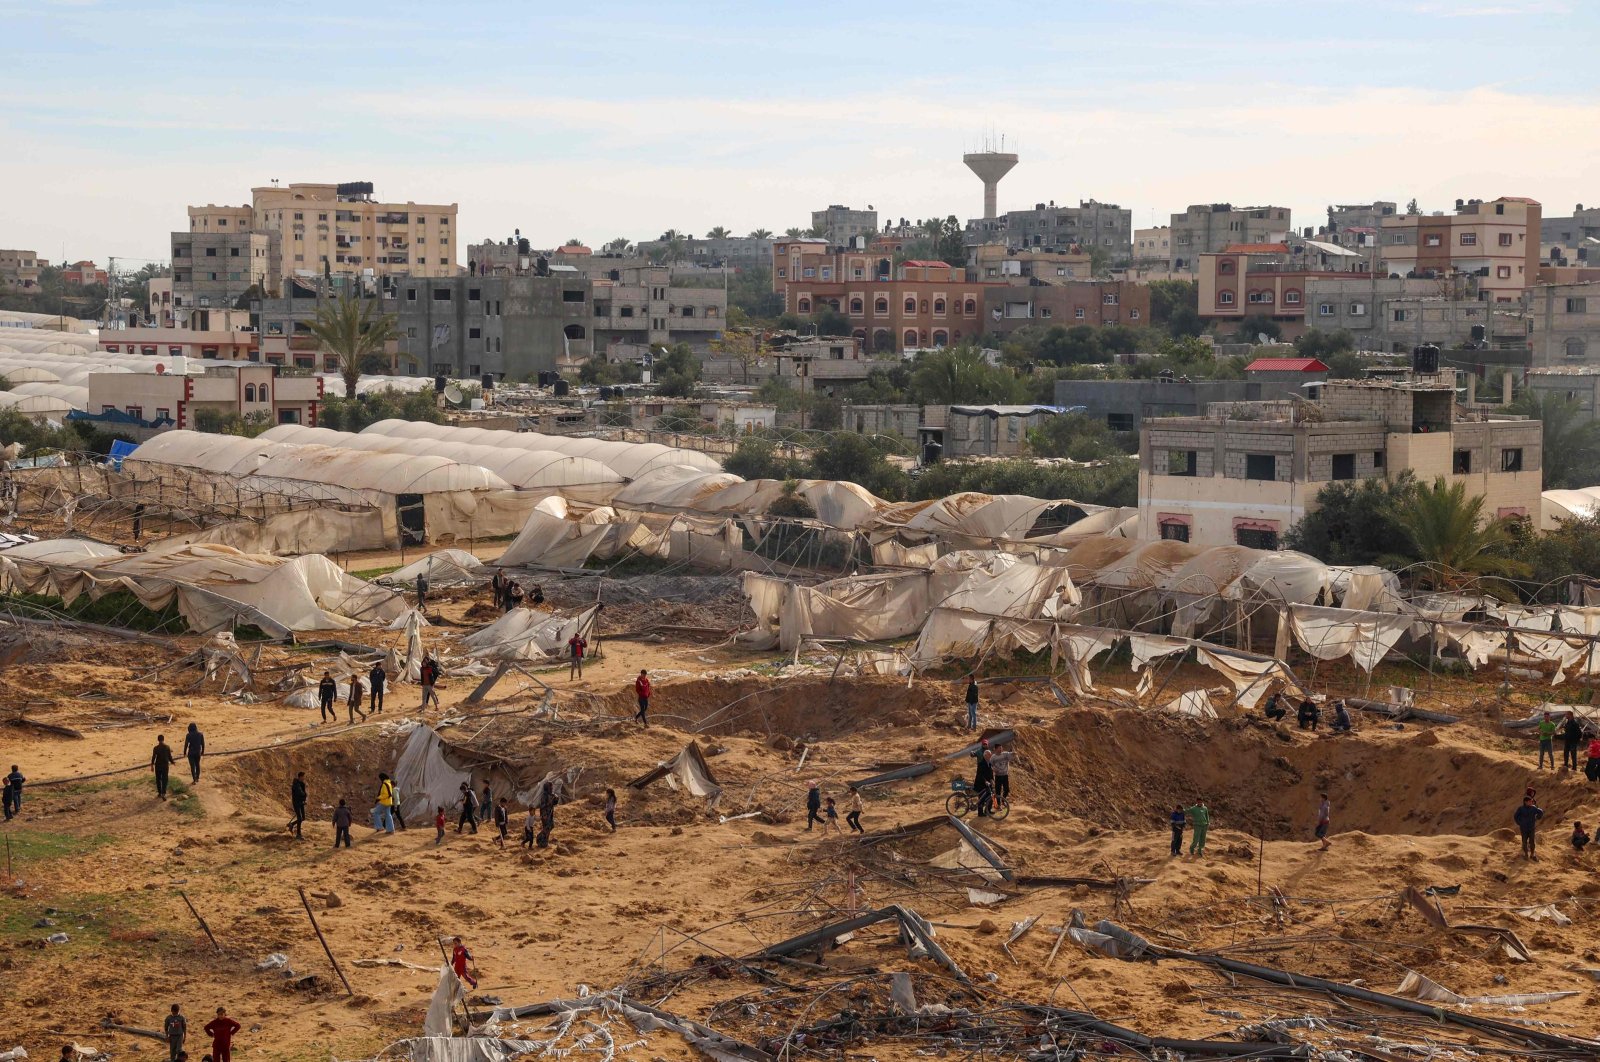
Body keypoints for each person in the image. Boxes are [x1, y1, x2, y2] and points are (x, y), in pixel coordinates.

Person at [1514, 794, 1544, 860]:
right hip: (1523, 828)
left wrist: (1538, 817)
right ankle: (1526, 854)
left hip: (1531, 828)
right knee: (1524, 841)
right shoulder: (1521, 809)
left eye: (1531, 801)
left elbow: (1541, 812)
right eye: (1530, 801)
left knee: (1532, 841)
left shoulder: (1533, 808)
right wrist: (1520, 823)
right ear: (1526, 802)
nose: (1531, 802)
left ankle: (1532, 855)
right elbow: (1516, 816)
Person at [972, 739, 995, 817]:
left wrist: (992, 779)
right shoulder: (981, 764)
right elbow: (980, 774)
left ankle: (988, 810)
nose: (989, 756)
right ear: (985, 756)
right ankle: (980, 813)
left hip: (988, 782)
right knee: (981, 798)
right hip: (981, 783)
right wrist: (985, 781)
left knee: (991, 796)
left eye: (990, 755)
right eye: (988, 755)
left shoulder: (990, 763)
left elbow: (991, 773)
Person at [151, 735, 174, 800]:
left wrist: (152, 765)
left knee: (158, 779)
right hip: (165, 765)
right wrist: (173, 762)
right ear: (163, 739)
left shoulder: (155, 748)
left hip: (158, 765)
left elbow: (153, 757)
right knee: (165, 779)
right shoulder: (167, 747)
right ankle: (163, 793)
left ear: (158, 740)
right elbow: (169, 757)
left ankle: (159, 793)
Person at [536, 781, 557, 848]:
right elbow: (542, 806)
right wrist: (544, 815)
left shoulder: (551, 795)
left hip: (550, 813)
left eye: (552, 787)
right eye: (550, 787)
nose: (552, 789)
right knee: (547, 827)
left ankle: (544, 841)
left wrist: (556, 798)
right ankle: (541, 840)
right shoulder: (544, 796)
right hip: (545, 814)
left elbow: (554, 803)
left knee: (551, 826)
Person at [288, 772, 308, 839]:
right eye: (303, 777)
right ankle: (298, 835)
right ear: (300, 777)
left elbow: (303, 793)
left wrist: (304, 800)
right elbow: (300, 793)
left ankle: (292, 824)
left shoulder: (302, 784)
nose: (304, 778)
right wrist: (304, 795)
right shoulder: (295, 784)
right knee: (299, 818)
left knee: (303, 818)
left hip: (301, 802)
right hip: (296, 803)